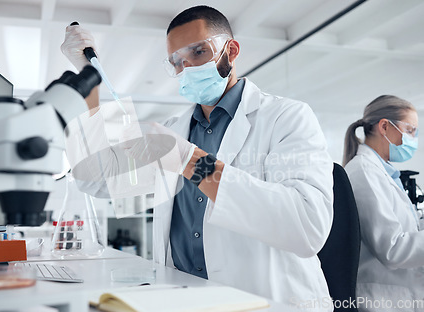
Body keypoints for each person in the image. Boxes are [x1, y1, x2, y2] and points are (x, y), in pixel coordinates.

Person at [62, 5, 334, 311]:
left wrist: (188, 159)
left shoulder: (286, 117)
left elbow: (307, 227)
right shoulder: (174, 129)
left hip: (269, 301)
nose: (187, 68)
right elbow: (94, 178)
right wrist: (88, 80)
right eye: (177, 62)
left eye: (199, 52)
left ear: (231, 50)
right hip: (184, 299)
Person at [343, 95, 423, 311]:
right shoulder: (363, 173)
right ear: (385, 126)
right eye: (410, 130)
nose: (414, 139)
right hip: (383, 300)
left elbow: (408, 230)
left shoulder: (384, 173)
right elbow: (392, 249)